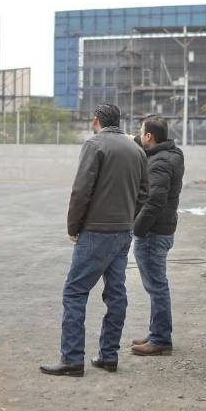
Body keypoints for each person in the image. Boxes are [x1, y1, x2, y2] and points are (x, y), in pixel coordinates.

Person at [40, 103, 148, 377]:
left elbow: (81, 190)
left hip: (96, 232)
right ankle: (109, 356)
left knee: (75, 292)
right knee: (116, 294)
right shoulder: (136, 150)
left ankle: (72, 359)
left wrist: (73, 226)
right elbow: (144, 194)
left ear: (96, 120)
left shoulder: (95, 145)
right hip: (122, 233)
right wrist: (127, 218)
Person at [129, 115, 184, 356]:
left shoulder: (158, 163)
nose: (139, 136)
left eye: (142, 132)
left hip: (153, 233)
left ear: (149, 136)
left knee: (157, 287)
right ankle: (156, 333)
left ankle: (160, 340)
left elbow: (154, 202)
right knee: (157, 285)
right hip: (164, 228)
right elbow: (141, 142)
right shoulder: (172, 154)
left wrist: (137, 229)